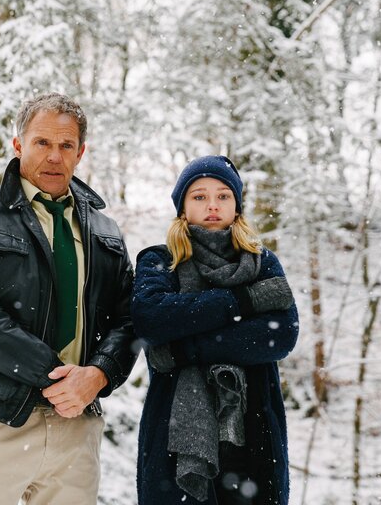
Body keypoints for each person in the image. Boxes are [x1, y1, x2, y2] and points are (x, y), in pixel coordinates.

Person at [0, 92, 137, 505]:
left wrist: (99, 374)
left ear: (81, 152)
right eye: (42, 143)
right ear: (18, 145)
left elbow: (129, 321)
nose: (54, 157)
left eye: (65, 145)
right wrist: (55, 374)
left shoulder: (105, 231)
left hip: (75, 426)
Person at [131, 155, 299, 505]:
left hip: (254, 429)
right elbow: (151, 319)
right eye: (199, 196)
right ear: (182, 207)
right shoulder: (160, 261)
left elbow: (279, 334)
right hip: (175, 433)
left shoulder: (261, 261)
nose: (212, 205)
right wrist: (243, 302)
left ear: (237, 206)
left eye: (223, 196)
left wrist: (184, 350)